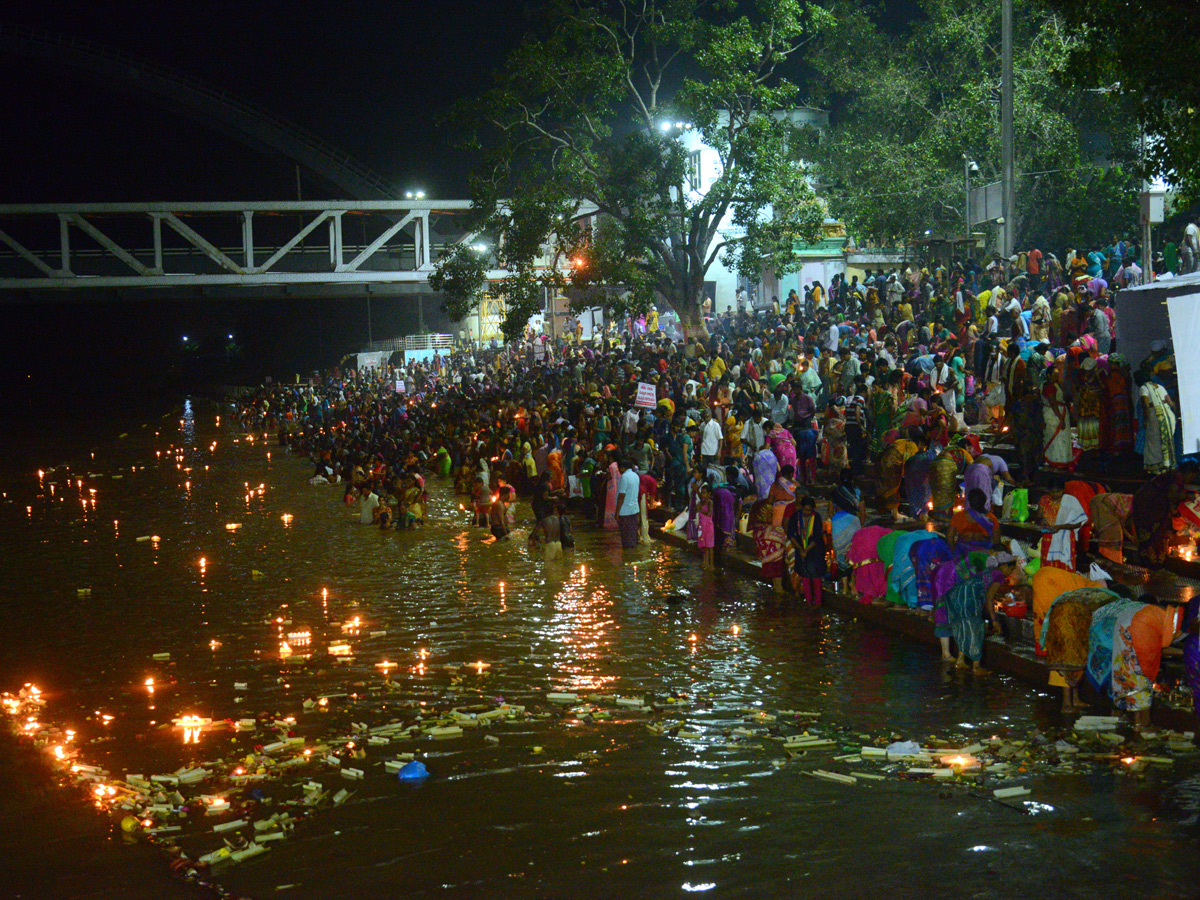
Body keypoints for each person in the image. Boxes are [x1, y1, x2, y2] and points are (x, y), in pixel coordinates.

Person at [1040, 585, 1122, 711]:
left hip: (1059, 619)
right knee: (1069, 663)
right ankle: (1067, 705)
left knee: (1072, 663)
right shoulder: (1112, 602)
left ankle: (1075, 700)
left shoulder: (1100, 594)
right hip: (1071, 622)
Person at [787, 495, 826, 606]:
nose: (806, 512)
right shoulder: (795, 517)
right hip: (800, 548)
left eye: (809, 510)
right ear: (801, 507)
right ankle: (808, 601)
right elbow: (790, 534)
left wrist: (807, 550)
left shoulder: (817, 517)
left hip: (815, 550)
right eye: (805, 510)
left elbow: (817, 537)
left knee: (816, 575)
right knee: (805, 575)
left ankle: (818, 602)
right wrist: (800, 549)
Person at [1136, 371, 1178, 475]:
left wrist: (1145, 420)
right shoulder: (1160, 386)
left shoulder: (1143, 388)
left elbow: (1145, 406)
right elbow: (1170, 402)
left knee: (1154, 444)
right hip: (1168, 416)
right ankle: (1169, 466)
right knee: (1168, 441)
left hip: (1155, 418)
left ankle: (1157, 469)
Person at [947, 488, 999, 559]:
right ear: (984, 501)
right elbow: (996, 542)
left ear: (969, 501)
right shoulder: (992, 519)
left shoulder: (958, 516)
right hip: (982, 557)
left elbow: (949, 537)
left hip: (963, 555)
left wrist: (955, 553)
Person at [614, 456, 641, 549]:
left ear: (622, 467)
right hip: (634, 509)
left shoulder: (624, 477)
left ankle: (627, 555)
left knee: (626, 536)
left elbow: (621, 495)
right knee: (633, 534)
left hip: (625, 510)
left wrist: (617, 511)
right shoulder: (635, 476)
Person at [697, 484, 716, 569]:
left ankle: (711, 564)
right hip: (702, 525)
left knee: (710, 546)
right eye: (702, 493)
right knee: (704, 545)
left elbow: (709, 513)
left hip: (708, 526)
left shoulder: (709, 502)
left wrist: (700, 510)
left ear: (709, 493)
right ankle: (705, 563)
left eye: (704, 493)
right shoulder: (702, 502)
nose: (703, 495)